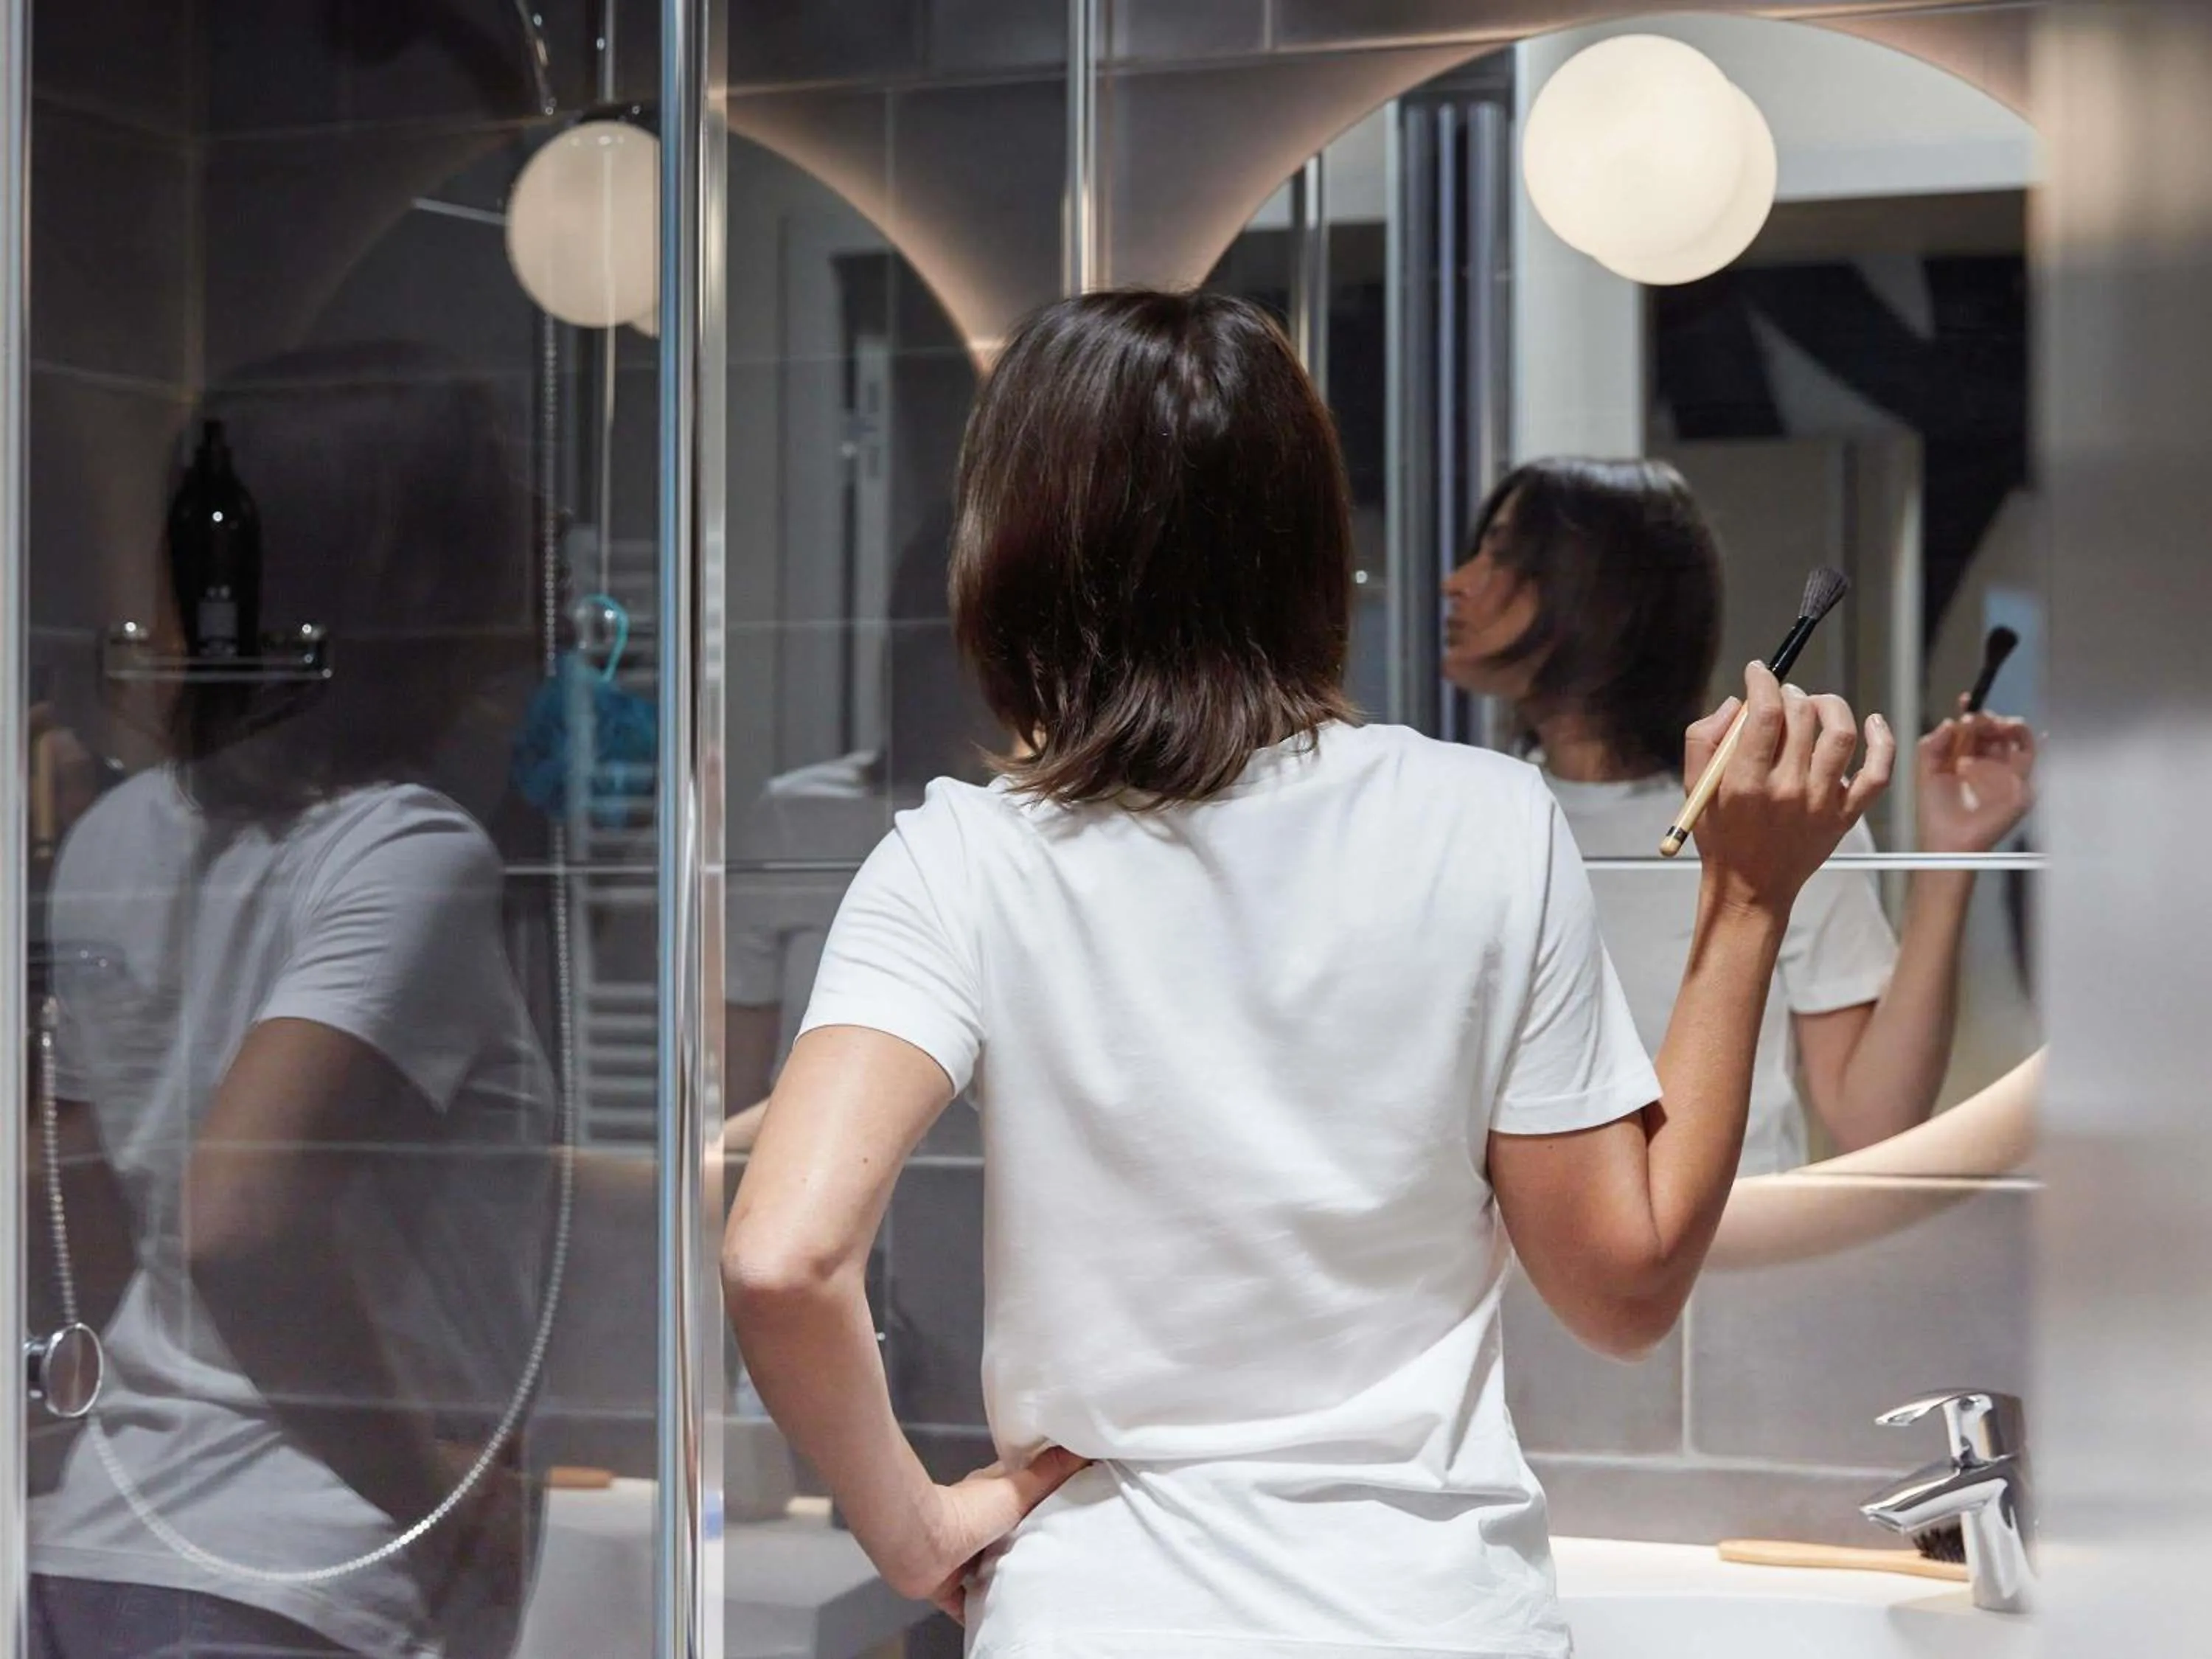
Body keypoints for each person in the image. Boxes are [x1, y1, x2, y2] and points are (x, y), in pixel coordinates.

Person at [723, 288, 1893, 1656]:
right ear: (1305, 540)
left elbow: (782, 1257)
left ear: (1009, 548)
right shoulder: (1481, 819)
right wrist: (1747, 901)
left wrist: (916, 1530)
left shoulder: (960, 859)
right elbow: (1621, 1290)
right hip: (1425, 1619)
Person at [29, 344, 557, 1659]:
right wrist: (438, 1496)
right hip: (296, 1571)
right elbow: (239, 1219)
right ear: (410, 578)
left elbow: (90, 1187)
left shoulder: (114, 835)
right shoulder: (406, 854)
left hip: (103, 1547)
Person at [1441, 457, 2036, 1173]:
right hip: (1512, 1267)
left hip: (1740, 1260)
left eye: (1501, 555)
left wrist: (1952, 857)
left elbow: (1871, 1122)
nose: (1458, 581)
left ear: (1605, 593)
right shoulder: (1469, 813)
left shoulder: (1772, 810)